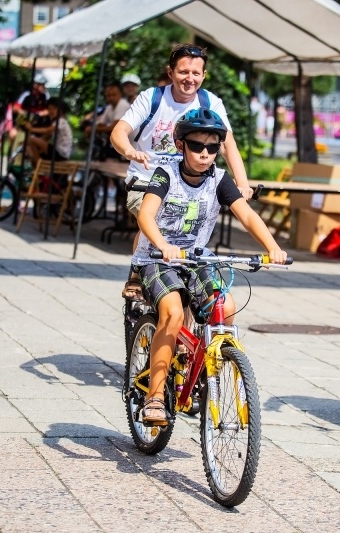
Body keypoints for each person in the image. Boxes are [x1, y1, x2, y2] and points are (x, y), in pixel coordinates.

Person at [133, 108, 287, 425]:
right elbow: (146, 215)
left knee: (226, 307)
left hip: (197, 258)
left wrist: (272, 247)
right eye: (197, 146)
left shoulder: (219, 179)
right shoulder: (166, 174)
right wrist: (162, 245)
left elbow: (246, 215)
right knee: (173, 313)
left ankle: (199, 370)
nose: (205, 154)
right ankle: (156, 397)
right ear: (180, 145)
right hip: (158, 259)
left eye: (213, 147)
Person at [110, 43, 253, 300]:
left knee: (190, 228)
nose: (190, 79)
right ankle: (137, 271)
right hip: (148, 177)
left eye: (196, 73)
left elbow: (228, 144)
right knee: (155, 218)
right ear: (170, 72)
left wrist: (243, 183)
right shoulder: (151, 97)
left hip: (190, 180)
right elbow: (118, 132)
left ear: (204, 75)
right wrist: (130, 151)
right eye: (184, 72)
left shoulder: (211, 102)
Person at [84, 82, 130, 161]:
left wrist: (93, 129)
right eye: (108, 95)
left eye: (114, 95)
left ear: (120, 95)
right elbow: (101, 125)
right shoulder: (109, 107)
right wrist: (95, 128)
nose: (111, 98)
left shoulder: (122, 104)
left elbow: (115, 127)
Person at [23, 97, 73, 166]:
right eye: (49, 109)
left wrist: (31, 129)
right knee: (32, 149)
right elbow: (45, 138)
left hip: (60, 154)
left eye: (54, 108)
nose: (51, 111)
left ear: (61, 110)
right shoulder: (55, 123)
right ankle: (37, 169)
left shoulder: (61, 121)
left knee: (32, 140)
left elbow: (48, 131)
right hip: (57, 152)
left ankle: (39, 167)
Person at [7, 75, 49, 154]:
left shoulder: (45, 96)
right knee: (13, 135)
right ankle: (13, 153)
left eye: (44, 85)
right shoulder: (26, 94)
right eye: (41, 85)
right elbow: (15, 108)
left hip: (37, 126)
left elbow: (49, 110)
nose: (44, 87)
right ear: (35, 85)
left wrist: (41, 113)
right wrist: (25, 113)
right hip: (23, 124)